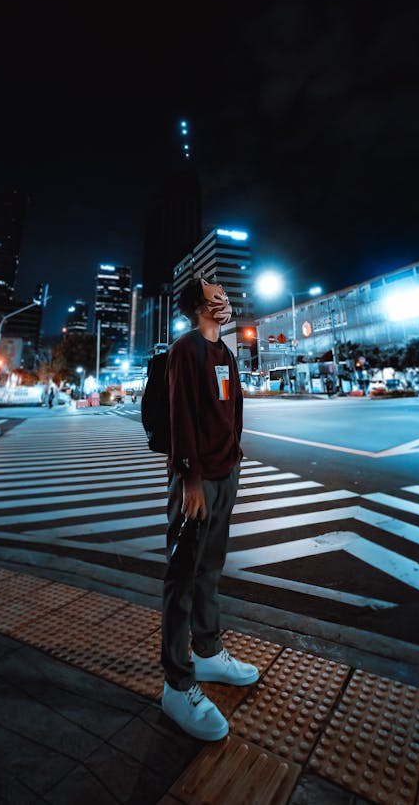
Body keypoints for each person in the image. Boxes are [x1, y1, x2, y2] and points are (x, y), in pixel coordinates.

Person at [160, 277, 259, 742]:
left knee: (211, 568)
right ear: (200, 306)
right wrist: (190, 477)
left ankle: (208, 650)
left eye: (225, 297)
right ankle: (177, 684)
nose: (226, 302)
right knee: (182, 576)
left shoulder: (227, 354)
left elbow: (233, 413)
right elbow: (180, 414)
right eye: (217, 297)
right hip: (196, 481)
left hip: (226, 473)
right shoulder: (186, 350)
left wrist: (233, 460)